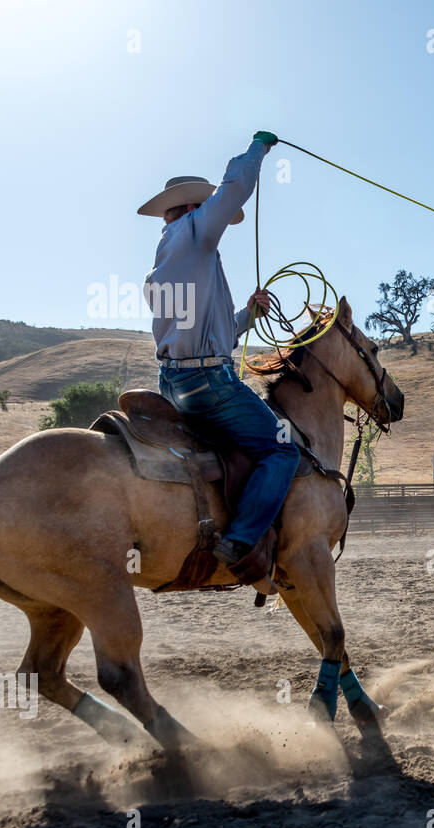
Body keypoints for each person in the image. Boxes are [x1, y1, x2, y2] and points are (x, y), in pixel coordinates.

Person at [138, 131, 300, 580]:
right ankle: (241, 540)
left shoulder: (166, 258)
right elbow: (235, 188)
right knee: (282, 449)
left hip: (173, 382)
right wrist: (258, 148)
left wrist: (247, 314)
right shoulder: (194, 234)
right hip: (209, 383)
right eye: (208, 211)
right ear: (193, 209)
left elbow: (214, 332)